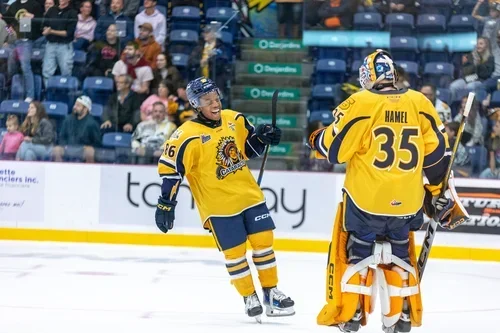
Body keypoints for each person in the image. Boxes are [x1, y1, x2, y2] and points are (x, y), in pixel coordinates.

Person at [308, 50, 468, 332]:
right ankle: (401, 315)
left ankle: (353, 313)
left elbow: (334, 150)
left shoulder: (361, 102)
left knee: (358, 251)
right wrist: (436, 192)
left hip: (366, 201)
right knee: (400, 254)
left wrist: (315, 138)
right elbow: (436, 157)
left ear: (368, 77)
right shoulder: (419, 102)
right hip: (407, 204)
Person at [155, 77, 295, 321]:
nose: (215, 104)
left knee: (264, 241)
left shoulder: (234, 118)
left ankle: (271, 294)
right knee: (235, 252)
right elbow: (171, 171)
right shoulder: (184, 136)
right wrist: (166, 203)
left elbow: (248, 150)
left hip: (249, 195)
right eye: (207, 100)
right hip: (218, 206)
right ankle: (249, 296)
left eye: (216, 98)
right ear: (196, 104)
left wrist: (263, 137)